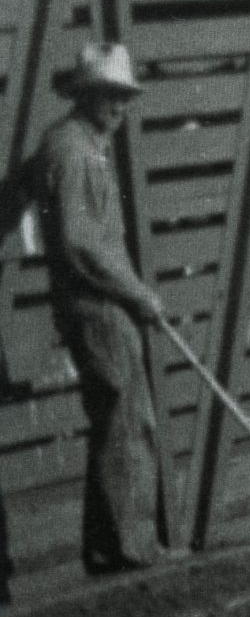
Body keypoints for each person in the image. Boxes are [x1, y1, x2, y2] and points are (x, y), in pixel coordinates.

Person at [8, 44, 172, 575]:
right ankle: (123, 549)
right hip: (97, 304)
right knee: (125, 418)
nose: (120, 107)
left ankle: (115, 545)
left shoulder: (79, 145)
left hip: (102, 301)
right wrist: (138, 294)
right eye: (110, 96)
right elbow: (81, 244)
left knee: (124, 417)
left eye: (125, 96)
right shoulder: (74, 151)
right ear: (84, 95)